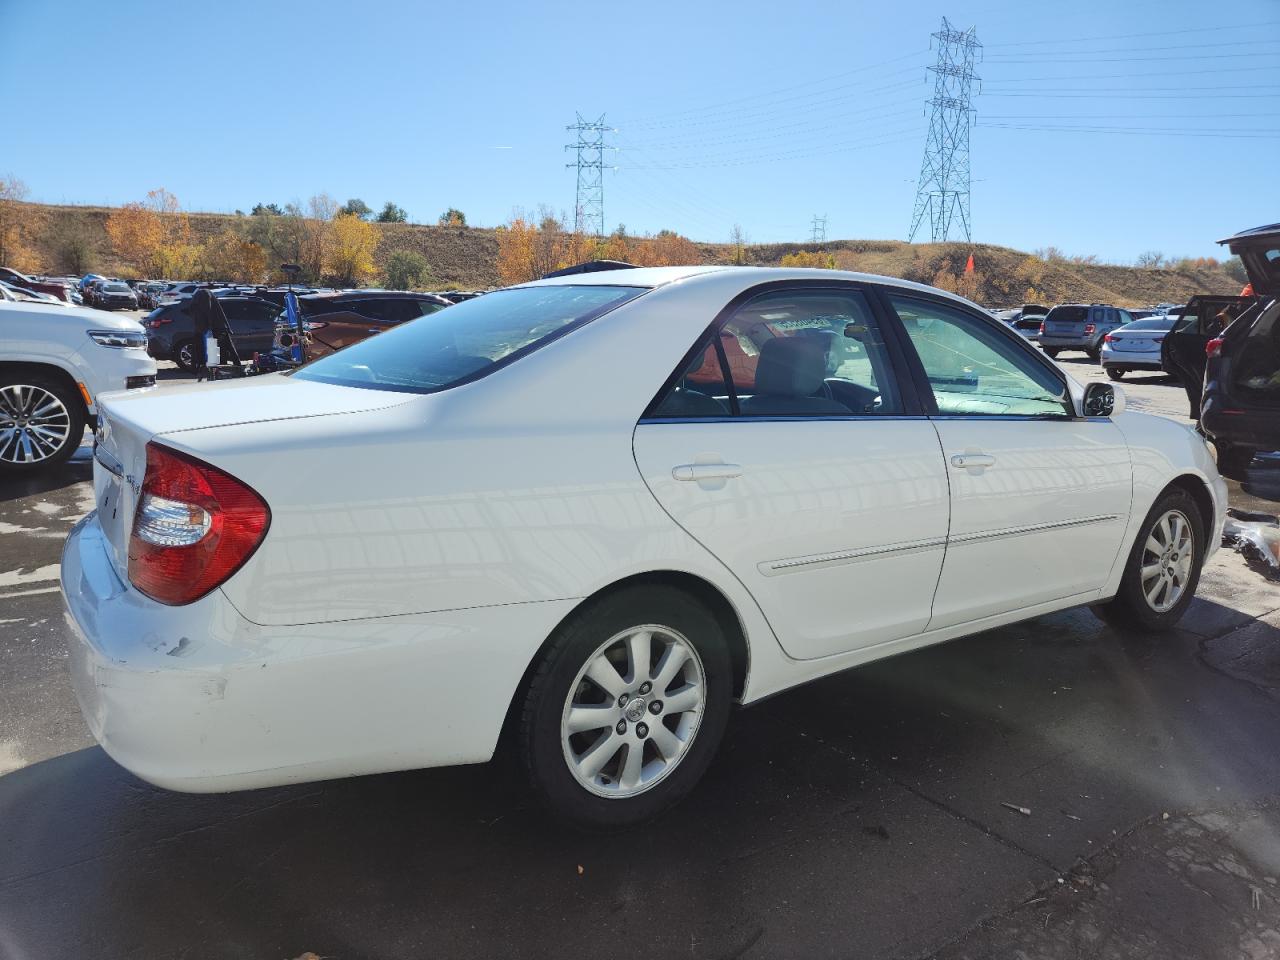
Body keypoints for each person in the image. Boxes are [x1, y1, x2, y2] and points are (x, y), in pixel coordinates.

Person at [189, 287, 240, 380]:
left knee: (207, 352)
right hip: (215, 328)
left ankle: (206, 371)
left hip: (205, 329)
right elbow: (209, 311)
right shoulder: (209, 302)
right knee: (221, 350)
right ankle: (236, 369)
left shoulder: (197, 304)